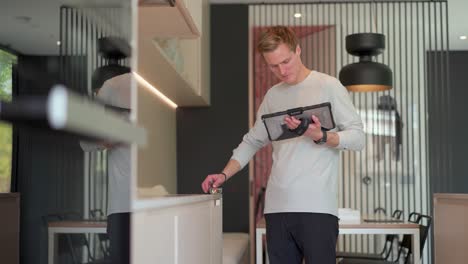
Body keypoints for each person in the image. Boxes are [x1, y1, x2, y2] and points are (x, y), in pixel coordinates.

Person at [201, 26, 365, 263]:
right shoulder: (273, 96)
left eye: (286, 61)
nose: (281, 70)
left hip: (317, 208)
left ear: (298, 50)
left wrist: (322, 136)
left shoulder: (328, 86)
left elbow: (358, 138)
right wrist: (224, 175)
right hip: (277, 210)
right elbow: (252, 141)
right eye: (273, 66)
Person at [80, 72, 132, 264]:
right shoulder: (113, 91)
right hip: (122, 207)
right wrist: (106, 140)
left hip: (137, 204)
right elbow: (85, 141)